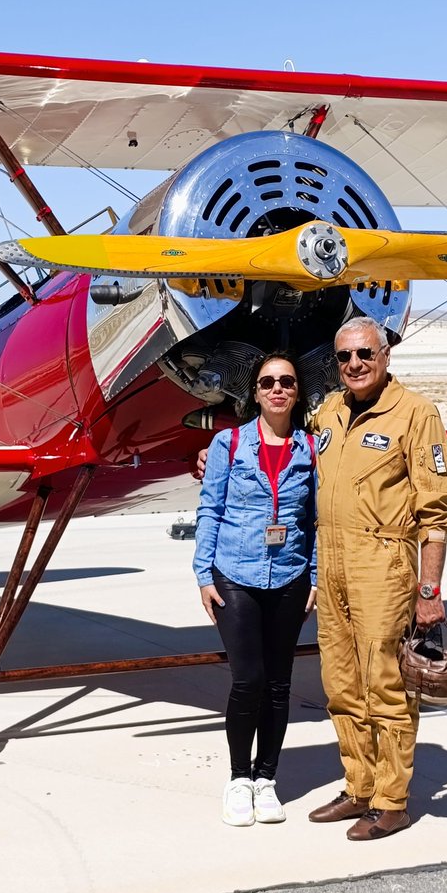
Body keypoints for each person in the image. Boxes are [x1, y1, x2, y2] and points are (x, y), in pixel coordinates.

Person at [307, 316, 447, 840]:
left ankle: (392, 801)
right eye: (344, 356)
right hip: (332, 563)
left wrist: (429, 592)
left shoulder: (416, 414)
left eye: (365, 354)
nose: (354, 365)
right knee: (341, 684)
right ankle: (359, 787)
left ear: (386, 354)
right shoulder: (328, 411)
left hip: (384, 563)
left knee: (385, 685)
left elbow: (435, 514)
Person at [194, 353, 318, 827]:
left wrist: (313, 576)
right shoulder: (228, 444)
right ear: (255, 392)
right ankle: (238, 778)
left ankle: (268, 779)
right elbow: (210, 508)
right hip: (235, 573)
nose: (277, 389)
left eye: (287, 381)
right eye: (268, 382)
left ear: (298, 391)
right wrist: (204, 574)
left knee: (280, 684)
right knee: (248, 681)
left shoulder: (310, 448)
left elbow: (316, 519)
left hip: (288, 576)